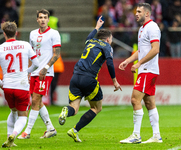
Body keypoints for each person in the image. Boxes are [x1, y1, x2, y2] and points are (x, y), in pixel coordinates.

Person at [58, 16, 122, 142]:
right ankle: (74, 130)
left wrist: (97, 27)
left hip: (75, 78)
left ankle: (67, 110)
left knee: (74, 108)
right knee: (97, 108)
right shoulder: (107, 46)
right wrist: (114, 80)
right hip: (88, 79)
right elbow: (109, 63)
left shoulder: (90, 42)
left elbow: (89, 36)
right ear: (108, 39)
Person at [119, 3, 162, 144]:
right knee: (149, 103)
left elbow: (155, 49)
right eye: (135, 11)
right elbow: (141, 50)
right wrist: (128, 60)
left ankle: (136, 135)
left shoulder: (152, 27)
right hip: (147, 69)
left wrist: (139, 64)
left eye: (139, 11)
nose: (136, 14)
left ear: (147, 14)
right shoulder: (142, 28)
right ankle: (156, 136)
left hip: (147, 70)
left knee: (134, 100)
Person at [17, 9, 61, 139]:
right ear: (37, 19)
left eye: (45, 17)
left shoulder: (54, 33)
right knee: (37, 100)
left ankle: (27, 132)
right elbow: (31, 55)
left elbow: (56, 54)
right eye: (40, 17)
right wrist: (29, 71)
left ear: (48, 19)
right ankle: (50, 128)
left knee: (35, 99)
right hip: (35, 72)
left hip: (45, 72)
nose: (42, 19)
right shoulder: (32, 34)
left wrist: (46, 67)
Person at [0, 21, 39, 147]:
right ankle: (14, 134)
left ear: (4, 34)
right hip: (21, 85)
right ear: (16, 33)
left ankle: (9, 138)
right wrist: (26, 72)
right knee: (22, 116)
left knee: (13, 111)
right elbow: (37, 64)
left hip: (7, 86)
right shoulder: (25, 45)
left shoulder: (0, 48)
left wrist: (1, 83)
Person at [47, 9, 64, 105]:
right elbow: (59, 28)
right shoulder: (55, 19)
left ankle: (50, 99)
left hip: (52, 66)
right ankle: (51, 99)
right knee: (54, 84)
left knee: (50, 84)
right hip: (57, 67)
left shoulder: (47, 21)